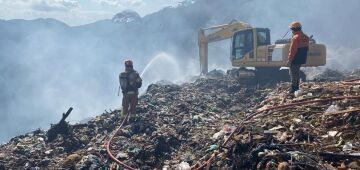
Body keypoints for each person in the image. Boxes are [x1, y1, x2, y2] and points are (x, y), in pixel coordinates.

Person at [287, 21, 309, 94]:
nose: (291, 31)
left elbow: (293, 50)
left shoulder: (295, 38)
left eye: (291, 29)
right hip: (302, 58)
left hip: (295, 58)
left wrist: (290, 59)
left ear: (294, 29)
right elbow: (306, 48)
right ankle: (296, 87)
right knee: (297, 73)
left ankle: (294, 88)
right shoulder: (306, 36)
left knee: (293, 73)